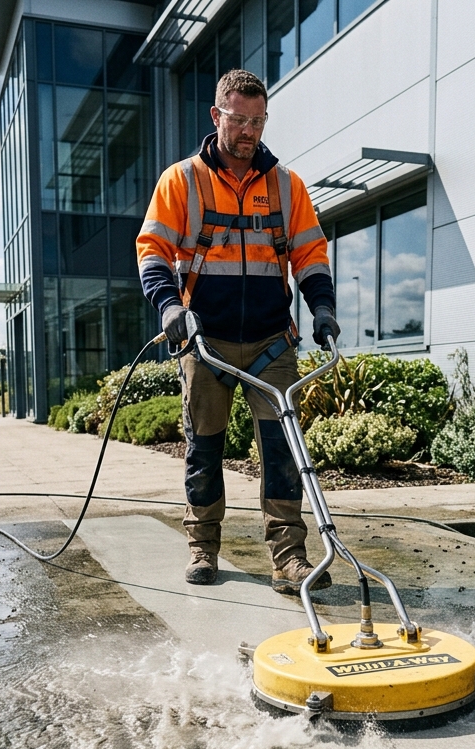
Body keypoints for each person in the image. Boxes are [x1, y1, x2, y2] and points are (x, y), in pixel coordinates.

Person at [137, 68, 340, 593]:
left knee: (281, 449)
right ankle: (203, 547)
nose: (249, 131)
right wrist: (167, 308)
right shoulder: (182, 180)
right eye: (238, 119)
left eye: (258, 121)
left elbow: (310, 255)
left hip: (273, 341)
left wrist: (322, 309)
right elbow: (154, 249)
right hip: (205, 341)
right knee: (203, 448)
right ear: (216, 115)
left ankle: (289, 558)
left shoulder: (286, 185)